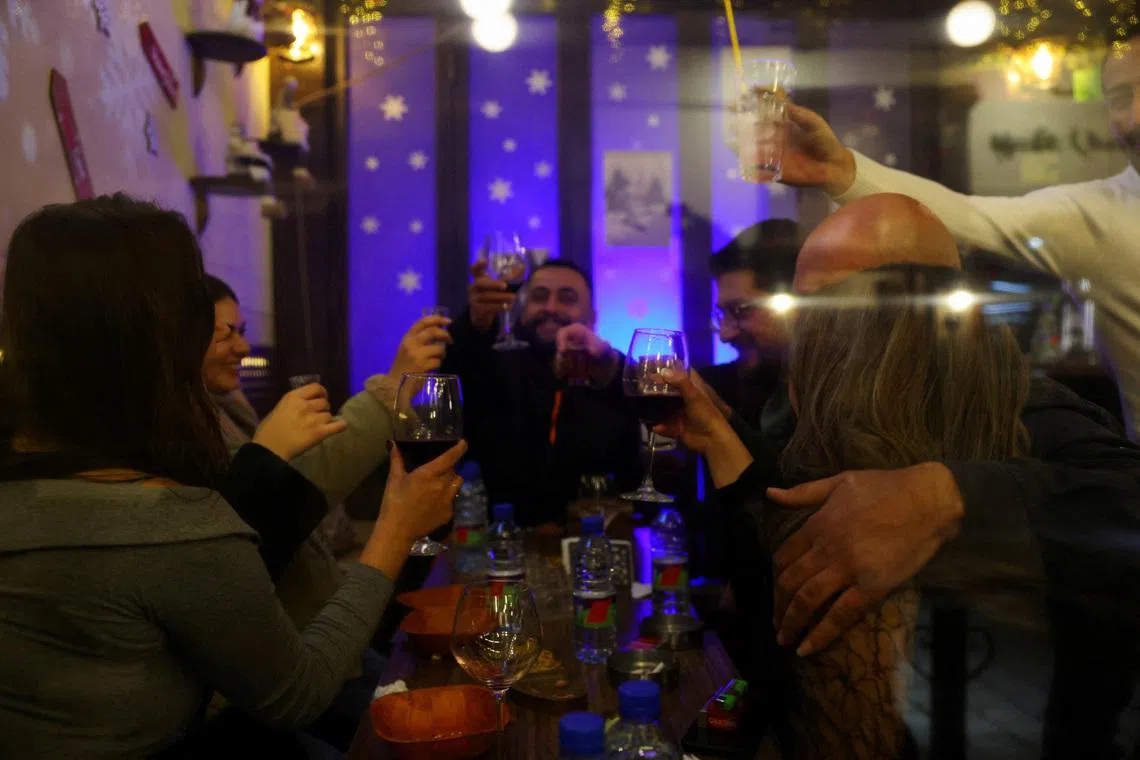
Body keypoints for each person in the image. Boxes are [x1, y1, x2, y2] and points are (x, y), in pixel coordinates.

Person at [662, 194, 1140, 759]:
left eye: (826, 307)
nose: (806, 334)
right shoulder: (825, 414)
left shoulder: (1021, 407)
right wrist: (719, 434)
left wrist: (951, 494)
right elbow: (797, 541)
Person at [0, 195, 465, 758]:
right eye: (203, 313)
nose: (233, 343)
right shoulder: (171, 521)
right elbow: (295, 694)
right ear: (166, 334)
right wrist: (395, 527)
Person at [775, 38, 1140, 441]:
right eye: (1121, 98)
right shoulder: (1093, 215)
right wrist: (840, 170)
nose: (1135, 117)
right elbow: (969, 217)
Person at [442, 257, 642, 527]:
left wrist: (608, 367)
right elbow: (447, 376)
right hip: (503, 540)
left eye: (567, 298)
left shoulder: (610, 374)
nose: (550, 308)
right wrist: (474, 325)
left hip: (593, 543)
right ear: (522, 309)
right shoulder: (494, 366)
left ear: (592, 318)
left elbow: (648, 402)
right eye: (539, 296)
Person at [701, 218, 800, 430]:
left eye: (741, 310)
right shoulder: (726, 385)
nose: (725, 335)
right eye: (722, 314)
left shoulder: (845, 396)